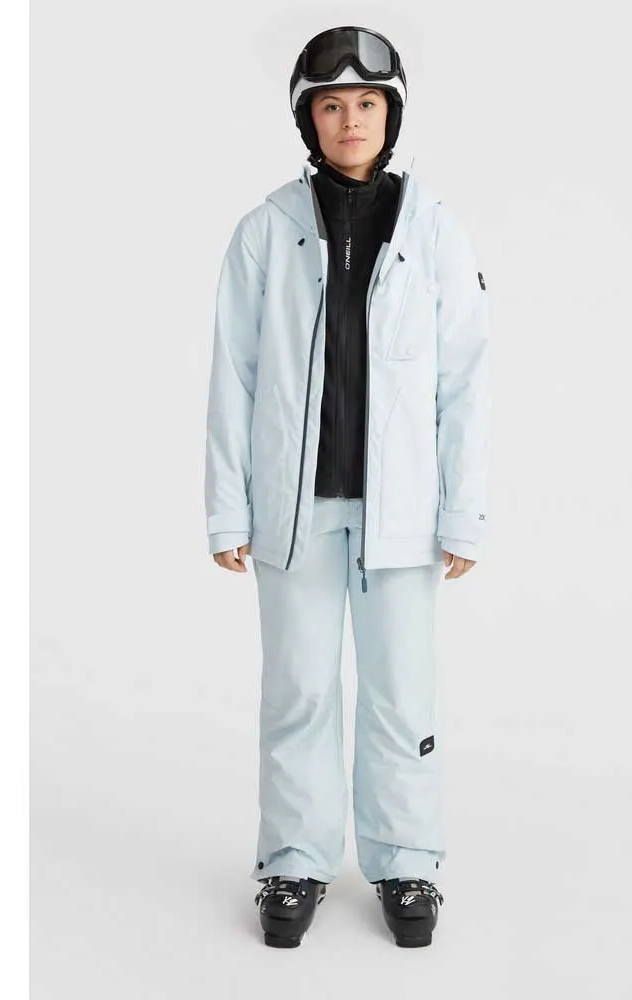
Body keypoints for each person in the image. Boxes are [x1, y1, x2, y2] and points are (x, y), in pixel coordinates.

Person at [204, 25, 491, 948]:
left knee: (400, 694)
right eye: (332, 105)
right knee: (299, 691)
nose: (351, 120)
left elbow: (464, 380)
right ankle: (294, 861)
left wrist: (462, 511)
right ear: (309, 120)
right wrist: (228, 506)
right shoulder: (266, 232)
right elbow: (235, 375)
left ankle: (407, 862)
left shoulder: (434, 230)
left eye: (368, 103)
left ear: (391, 115)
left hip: (402, 512)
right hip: (295, 511)